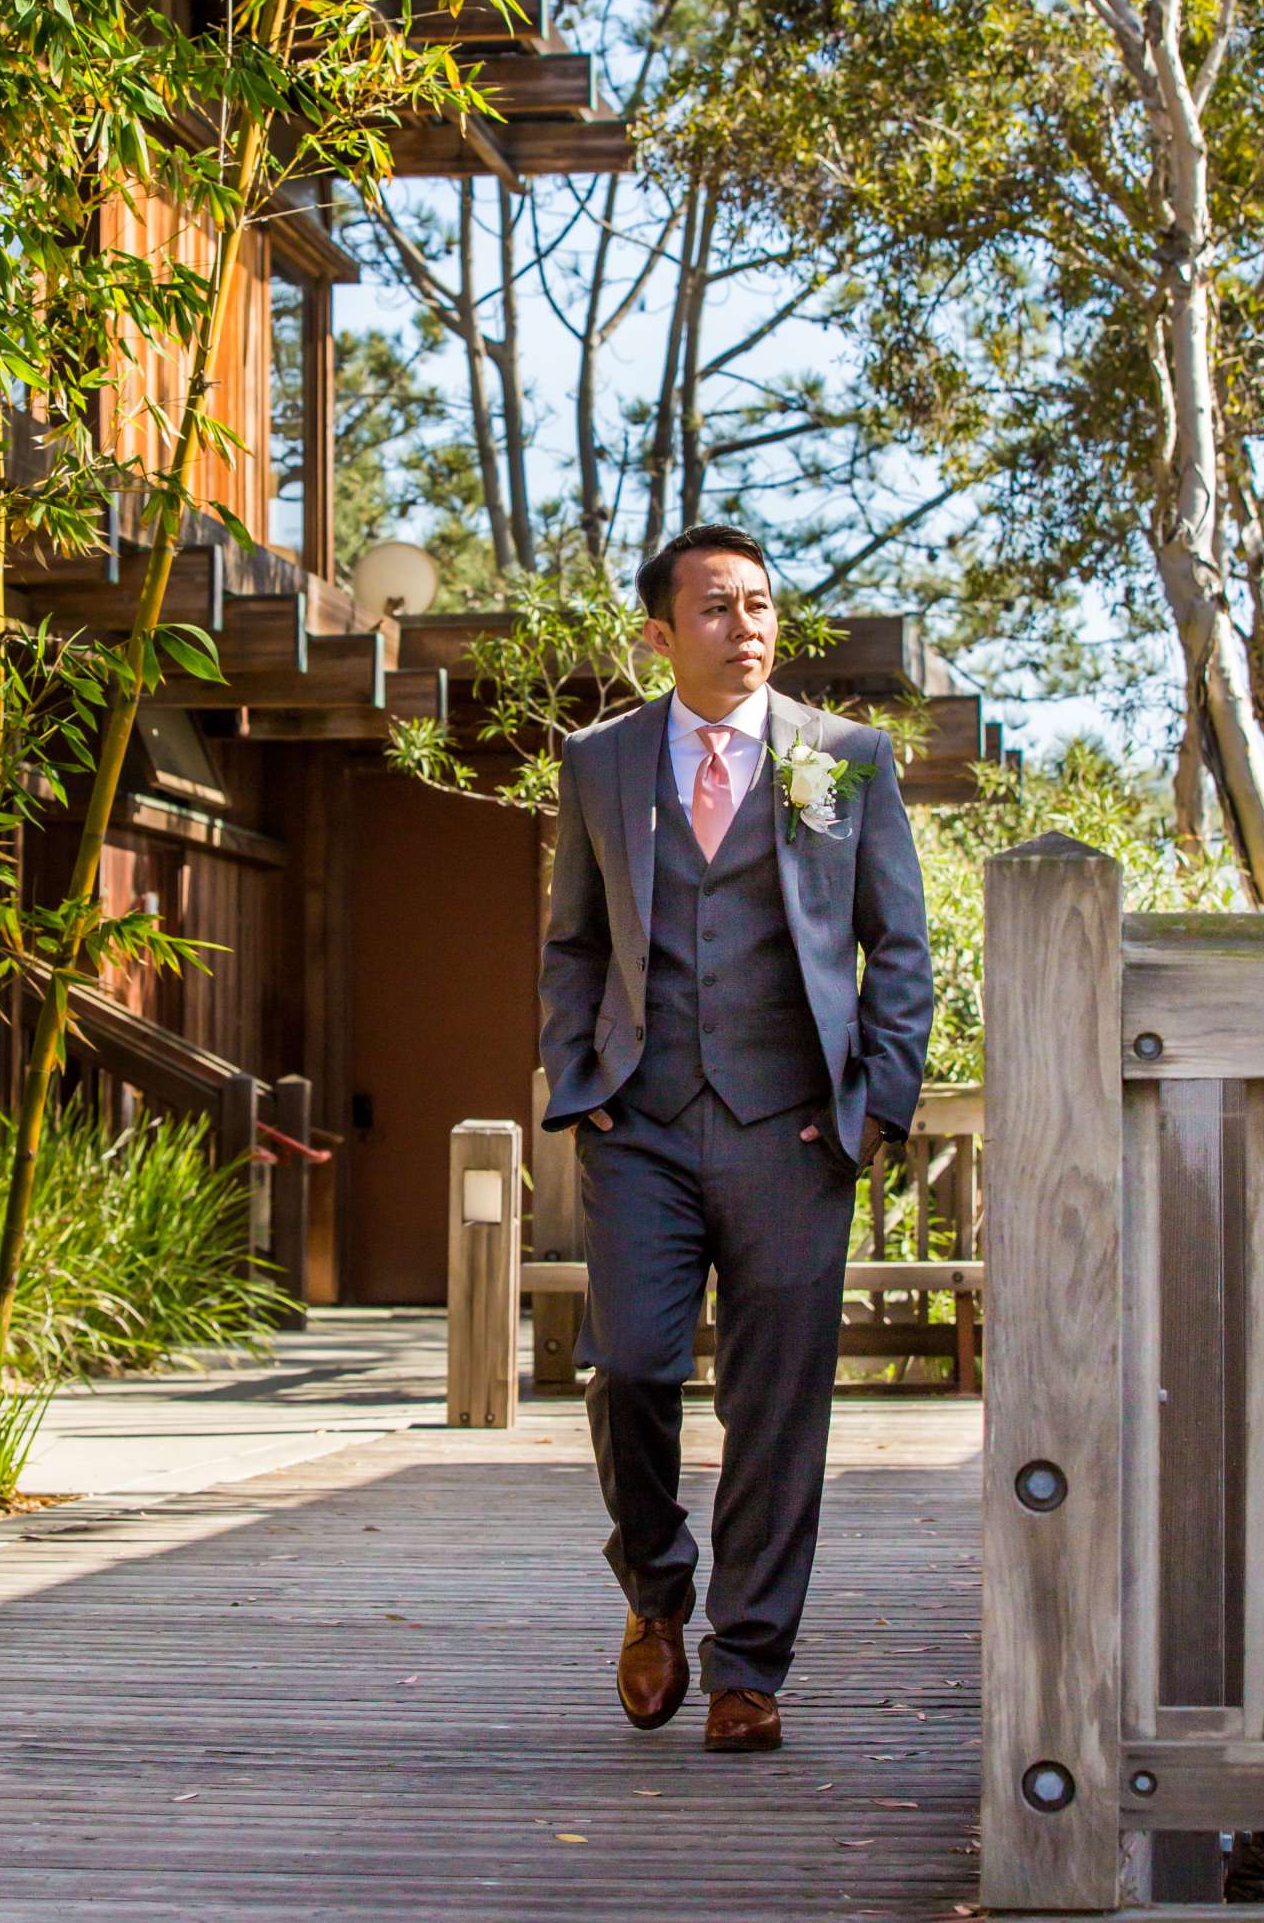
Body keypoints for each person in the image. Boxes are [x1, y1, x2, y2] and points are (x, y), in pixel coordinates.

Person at [538, 522, 933, 1752]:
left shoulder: (844, 759)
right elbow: (572, 941)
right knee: (634, 1369)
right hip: (640, 1125)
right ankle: (656, 1589)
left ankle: (748, 1665)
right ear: (660, 634)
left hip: (795, 1133)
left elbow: (899, 949)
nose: (745, 626)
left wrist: (874, 1110)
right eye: (715, 608)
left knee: (777, 1406)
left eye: (759, 605)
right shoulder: (600, 763)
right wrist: (577, 1080)